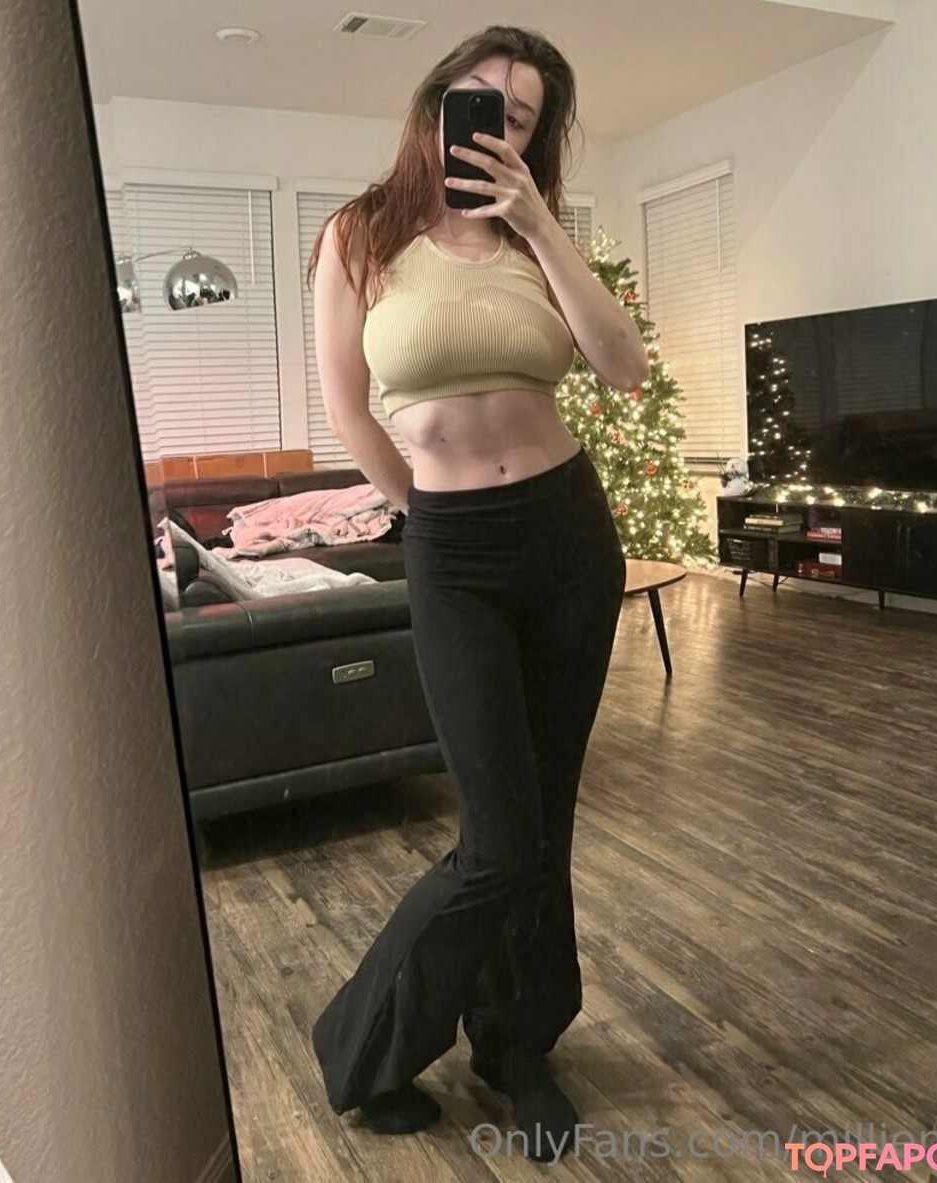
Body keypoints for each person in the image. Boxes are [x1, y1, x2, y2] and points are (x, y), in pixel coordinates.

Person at [306, 25, 649, 1162]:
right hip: (452, 549)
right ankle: (363, 1042)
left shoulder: (536, 237)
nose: (496, 124)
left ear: (535, 137)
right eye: (480, 99)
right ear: (438, 102)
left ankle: (517, 1045)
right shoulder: (360, 234)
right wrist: (429, 514)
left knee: (544, 818)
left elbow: (624, 366)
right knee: (497, 835)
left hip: (568, 541)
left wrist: (541, 224)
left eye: (523, 114)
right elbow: (348, 405)